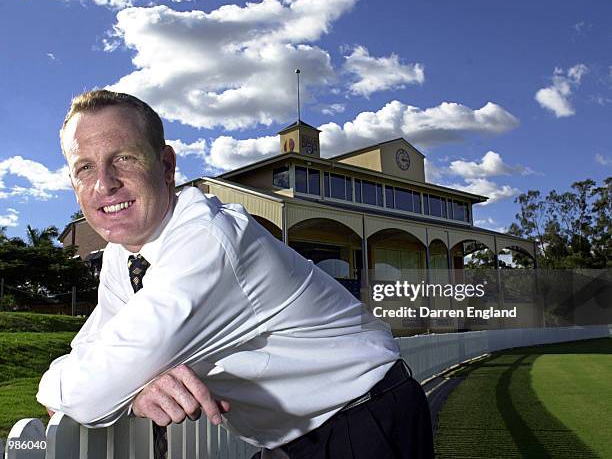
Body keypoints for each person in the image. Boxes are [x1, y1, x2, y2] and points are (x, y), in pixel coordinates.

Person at [37, 90, 434, 458]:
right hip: (288, 436)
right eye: (85, 167)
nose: (104, 184)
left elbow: (91, 391)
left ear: (166, 165)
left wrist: (104, 385)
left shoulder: (209, 241)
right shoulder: (120, 255)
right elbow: (91, 355)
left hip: (362, 418)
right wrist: (131, 386)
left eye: (123, 157)